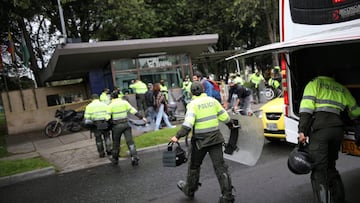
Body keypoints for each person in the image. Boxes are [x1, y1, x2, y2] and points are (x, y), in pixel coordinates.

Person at [297, 75, 360, 203]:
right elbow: (356, 111)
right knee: (330, 167)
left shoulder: (314, 84)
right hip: (337, 130)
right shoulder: (341, 88)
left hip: (321, 131)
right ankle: (339, 199)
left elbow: (306, 109)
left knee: (319, 170)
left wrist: (302, 130)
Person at [171, 81, 236, 203]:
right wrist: (231, 126)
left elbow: (188, 124)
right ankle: (227, 196)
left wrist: (177, 136)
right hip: (216, 139)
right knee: (221, 168)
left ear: (191, 93)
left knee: (194, 166)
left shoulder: (192, 104)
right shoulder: (213, 101)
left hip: (200, 142)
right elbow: (226, 118)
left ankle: (190, 189)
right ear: (203, 90)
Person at [108, 93, 146, 166]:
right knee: (130, 141)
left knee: (116, 143)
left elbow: (107, 117)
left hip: (116, 126)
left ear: (112, 98)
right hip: (126, 124)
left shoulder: (110, 105)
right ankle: (134, 157)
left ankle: (115, 159)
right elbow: (133, 111)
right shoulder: (124, 102)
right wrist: (142, 117)